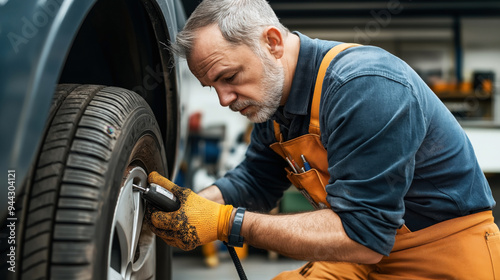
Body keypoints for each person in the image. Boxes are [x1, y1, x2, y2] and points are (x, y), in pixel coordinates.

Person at [145, 0, 500, 278]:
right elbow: (256, 179)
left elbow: (364, 235)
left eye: (230, 76)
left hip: (440, 254)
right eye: (213, 87)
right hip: (361, 253)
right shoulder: (273, 102)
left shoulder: (364, 88)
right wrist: (188, 205)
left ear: (272, 42)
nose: (224, 99)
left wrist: (225, 222)